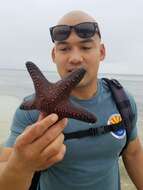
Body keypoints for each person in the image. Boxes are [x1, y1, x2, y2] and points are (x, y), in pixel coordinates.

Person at [0, 10, 143, 190]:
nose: (75, 58)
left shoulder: (121, 100)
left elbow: (134, 153)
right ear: (54, 55)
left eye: (85, 47)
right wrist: (22, 164)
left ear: (101, 52)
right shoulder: (31, 111)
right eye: (64, 48)